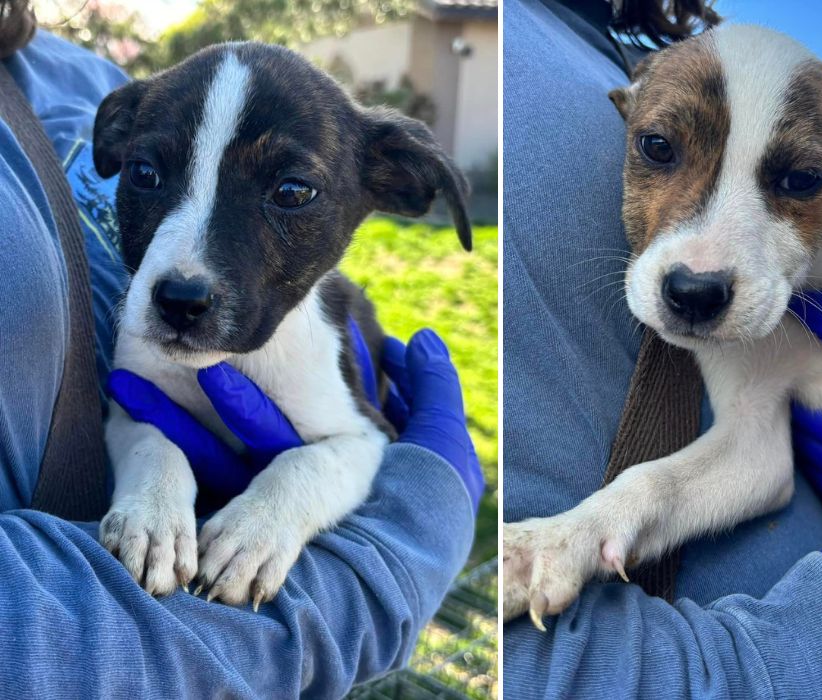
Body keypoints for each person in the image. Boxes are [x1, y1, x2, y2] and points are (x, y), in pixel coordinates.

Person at [0, 4, 482, 697]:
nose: (185, 270)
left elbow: (352, 444)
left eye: (290, 192)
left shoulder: (66, 72)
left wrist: (281, 509)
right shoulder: (128, 100)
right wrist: (154, 474)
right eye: (147, 175)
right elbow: (132, 416)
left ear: (389, 179)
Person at [502, 1, 822, 697]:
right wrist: (587, 530)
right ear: (628, 113)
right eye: (660, 150)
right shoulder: (522, 42)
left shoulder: (621, 38)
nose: (704, 264)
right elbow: (756, 455)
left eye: (799, 180)